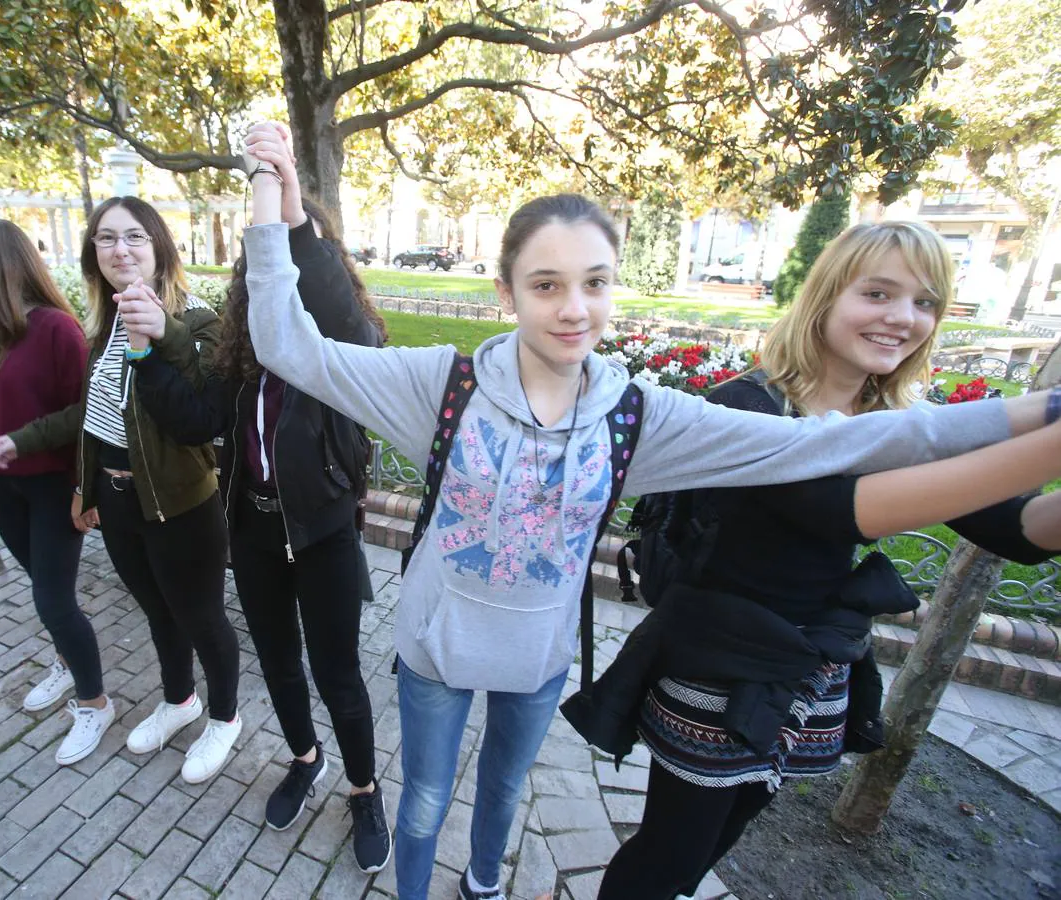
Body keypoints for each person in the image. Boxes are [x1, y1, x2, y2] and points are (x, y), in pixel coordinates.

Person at [238, 122, 1060, 900]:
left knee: (503, 793)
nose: (573, 309)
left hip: (539, 659)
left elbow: (842, 444)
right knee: (421, 804)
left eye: (594, 283)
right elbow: (287, 344)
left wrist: (1039, 414)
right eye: (547, 284)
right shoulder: (439, 386)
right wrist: (267, 206)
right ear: (507, 291)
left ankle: (483, 882)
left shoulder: (639, 418)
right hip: (435, 653)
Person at [592, 222, 1061, 900]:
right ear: (827, 297)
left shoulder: (897, 420)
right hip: (718, 671)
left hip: (811, 672)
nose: (904, 318)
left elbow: (1018, 531)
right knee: (671, 849)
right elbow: (842, 509)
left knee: (721, 837)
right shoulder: (750, 409)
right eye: (879, 293)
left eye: (926, 302)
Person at [123, 194, 393, 870]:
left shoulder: (342, 348)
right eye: (258, 262)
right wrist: (151, 352)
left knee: (338, 674)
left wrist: (295, 230)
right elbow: (192, 420)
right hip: (253, 531)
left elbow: (358, 331)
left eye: (291, 255)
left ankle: (363, 787)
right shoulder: (241, 355)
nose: (270, 275)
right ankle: (306, 758)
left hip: (324, 532)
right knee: (277, 662)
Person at [0, 196, 243, 784]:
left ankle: (225, 717)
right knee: (157, 612)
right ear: (92, 254)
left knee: (201, 616)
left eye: (134, 237)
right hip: (119, 501)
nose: (119, 249)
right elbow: (93, 413)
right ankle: (180, 701)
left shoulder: (201, 320)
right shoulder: (104, 326)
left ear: (159, 247)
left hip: (181, 504)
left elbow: (199, 419)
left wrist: (162, 337)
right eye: (105, 239)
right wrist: (25, 443)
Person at [0, 217, 113, 765]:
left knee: (53, 600)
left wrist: (82, 491)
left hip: (52, 485)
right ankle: (65, 663)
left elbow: (89, 414)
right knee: (42, 586)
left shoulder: (55, 329)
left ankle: (94, 702)